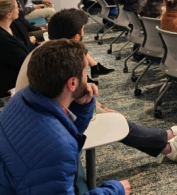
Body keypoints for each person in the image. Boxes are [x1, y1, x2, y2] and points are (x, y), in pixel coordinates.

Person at [16, 8, 177, 165]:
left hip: (36, 117)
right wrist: (105, 112)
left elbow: (76, 96)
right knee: (116, 121)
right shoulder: (64, 64)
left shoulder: (47, 51)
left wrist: (101, 107)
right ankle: (166, 140)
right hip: (49, 124)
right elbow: (73, 102)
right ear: (76, 37)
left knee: (111, 115)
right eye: (83, 30)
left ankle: (166, 145)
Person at [0, 39, 130, 194]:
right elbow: (58, 144)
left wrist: (83, 106)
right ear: (72, 83)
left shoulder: (22, 97)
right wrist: (114, 190)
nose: (87, 79)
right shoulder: (58, 148)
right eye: (84, 72)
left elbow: (66, 131)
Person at [47, 8, 114, 79]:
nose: (83, 33)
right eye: (83, 30)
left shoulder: (48, 56)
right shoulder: (72, 65)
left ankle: (95, 66)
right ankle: (94, 68)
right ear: (76, 37)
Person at [0, 0, 35, 98]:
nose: (19, 9)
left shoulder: (12, 26)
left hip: (22, 75)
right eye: (16, 7)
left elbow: (28, 51)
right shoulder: (4, 40)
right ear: (8, 15)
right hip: (12, 86)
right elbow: (26, 63)